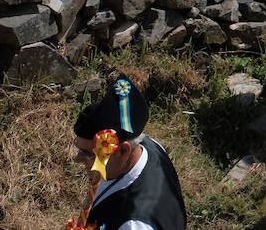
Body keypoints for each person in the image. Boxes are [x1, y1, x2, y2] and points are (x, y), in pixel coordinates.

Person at [71, 75, 187, 230]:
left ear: (124, 151)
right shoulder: (148, 145)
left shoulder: (133, 224)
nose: (77, 159)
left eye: (88, 153)